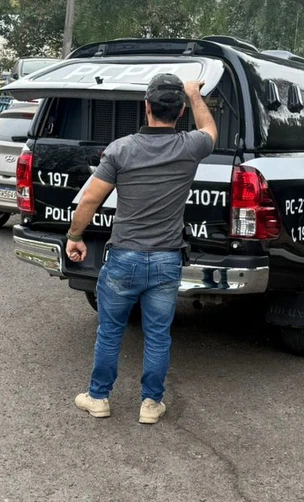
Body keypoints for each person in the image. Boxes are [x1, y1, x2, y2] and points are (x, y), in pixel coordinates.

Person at [66, 74, 218, 425]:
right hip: (167, 260)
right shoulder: (190, 146)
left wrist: (75, 235)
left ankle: (99, 397)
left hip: (124, 258)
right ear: (179, 111)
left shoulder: (121, 149)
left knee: (110, 330)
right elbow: (210, 129)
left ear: (146, 106)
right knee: (157, 335)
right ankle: (151, 404)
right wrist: (195, 95)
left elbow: (91, 197)